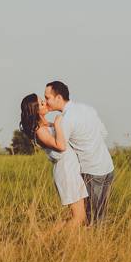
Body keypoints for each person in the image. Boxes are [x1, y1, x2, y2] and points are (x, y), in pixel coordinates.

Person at [43, 81, 115, 223]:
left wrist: (45, 144)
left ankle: (95, 244)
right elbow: (103, 133)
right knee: (101, 213)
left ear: (58, 98)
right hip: (108, 167)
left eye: (47, 98)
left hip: (92, 172)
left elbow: (58, 153)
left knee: (93, 219)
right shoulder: (87, 108)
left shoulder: (65, 120)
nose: (46, 102)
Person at [20, 93, 88, 227]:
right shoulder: (40, 131)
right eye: (41, 103)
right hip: (66, 172)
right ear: (35, 110)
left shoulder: (47, 125)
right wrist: (58, 124)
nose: (45, 103)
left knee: (80, 216)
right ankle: (43, 240)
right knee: (79, 218)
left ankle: (55, 240)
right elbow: (61, 146)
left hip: (72, 169)